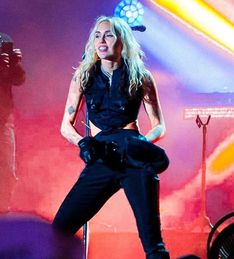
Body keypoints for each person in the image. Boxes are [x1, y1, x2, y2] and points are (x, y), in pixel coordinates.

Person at [53, 16, 170, 259]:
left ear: (121, 40)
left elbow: (159, 126)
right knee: (59, 230)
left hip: (134, 157)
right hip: (102, 156)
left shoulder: (141, 75)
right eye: (97, 35)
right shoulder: (83, 76)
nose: (101, 40)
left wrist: (141, 146)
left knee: (153, 244)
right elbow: (66, 125)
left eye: (108, 34)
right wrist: (82, 142)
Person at [0, 32, 25, 212]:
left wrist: (15, 65)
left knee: (7, 171)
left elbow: (18, 80)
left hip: (3, 118)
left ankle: (3, 212)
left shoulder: (4, 39)